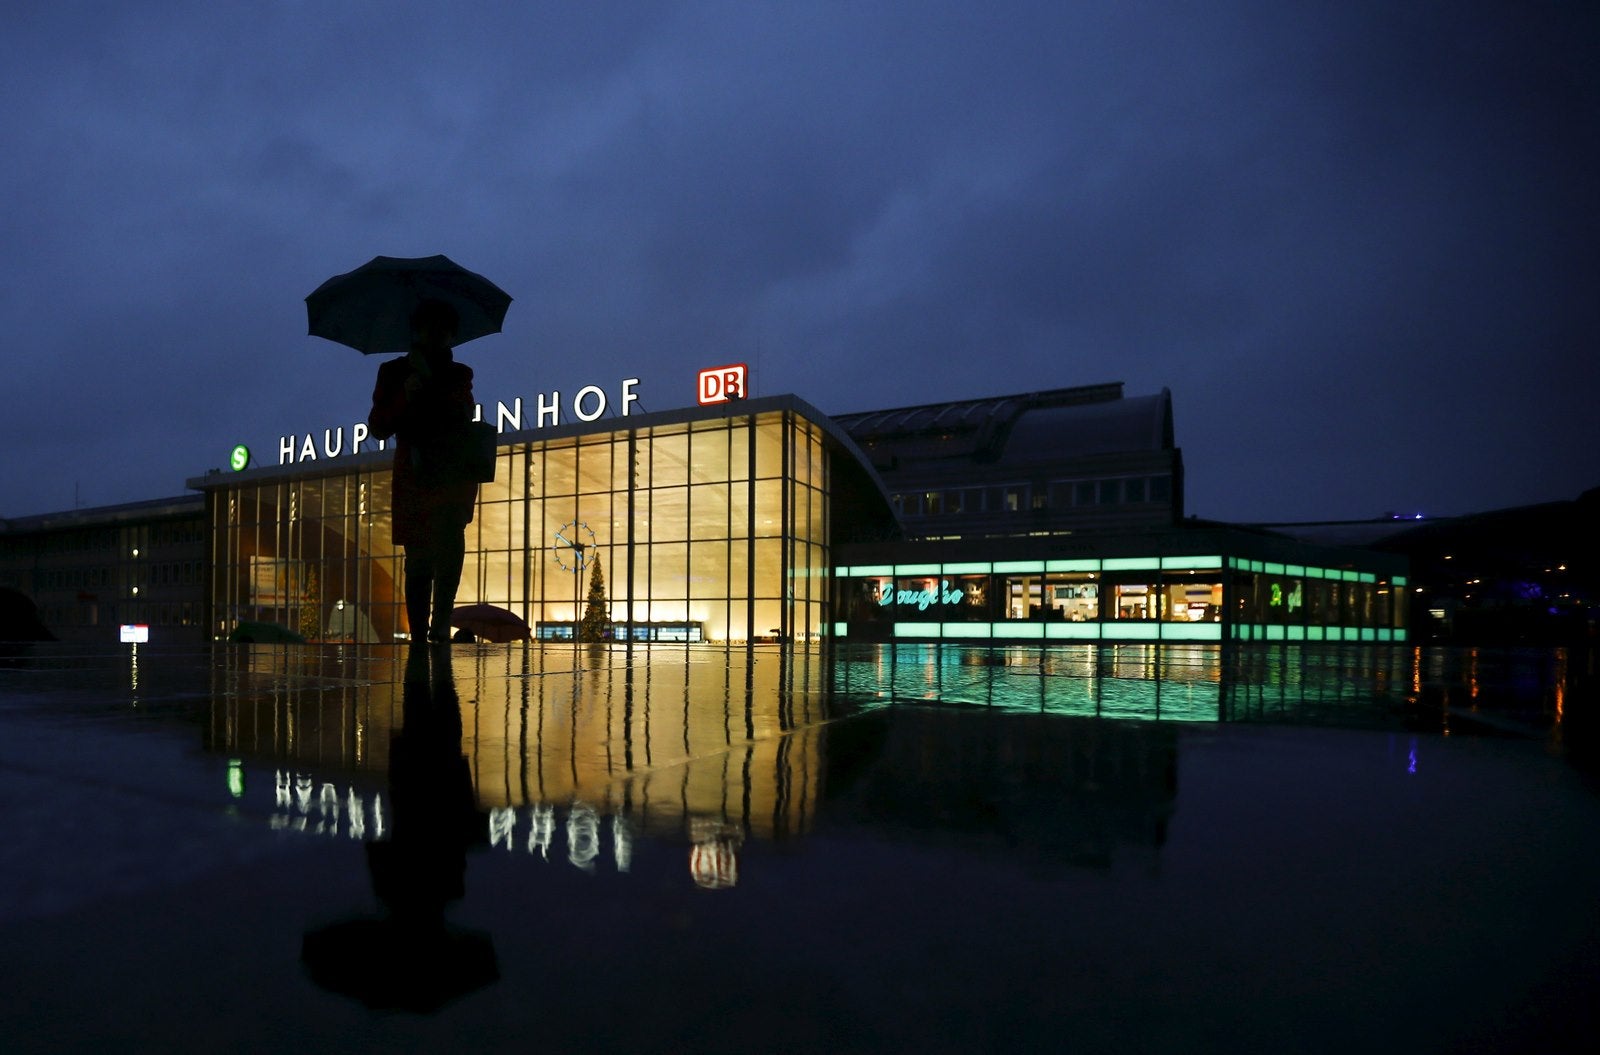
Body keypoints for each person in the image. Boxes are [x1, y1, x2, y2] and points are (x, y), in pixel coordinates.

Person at [367, 299, 480, 643]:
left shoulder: (459, 374)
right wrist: (405, 393)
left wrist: (427, 383)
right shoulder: (394, 372)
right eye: (430, 328)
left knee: (448, 550)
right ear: (416, 331)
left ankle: (441, 622)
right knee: (417, 558)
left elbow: (462, 417)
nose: (437, 336)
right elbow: (378, 426)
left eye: (443, 330)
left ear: (451, 335)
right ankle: (419, 632)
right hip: (415, 474)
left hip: (451, 476)